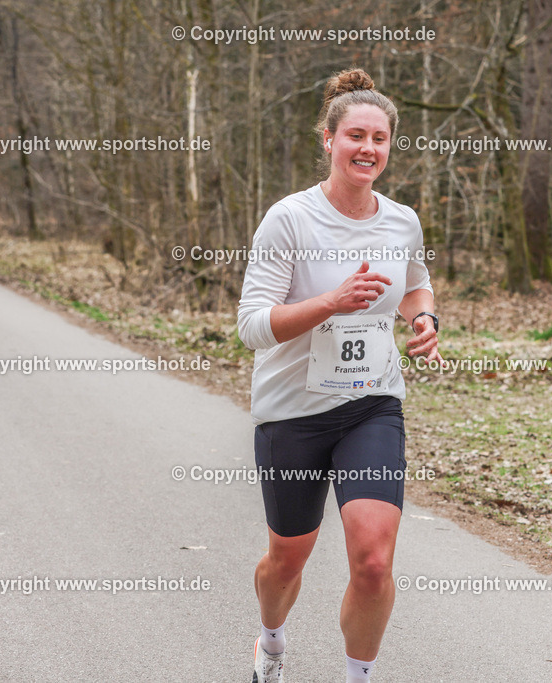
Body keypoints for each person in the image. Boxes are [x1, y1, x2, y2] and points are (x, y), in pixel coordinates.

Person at [237, 67, 441, 683]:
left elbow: (414, 284)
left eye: (379, 139)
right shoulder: (289, 220)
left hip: (372, 404)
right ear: (328, 140)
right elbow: (252, 325)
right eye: (355, 135)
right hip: (292, 411)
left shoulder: (401, 220)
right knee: (286, 560)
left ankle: (359, 675)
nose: (368, 149)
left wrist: (424, 316)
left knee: (374, 560)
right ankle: (271, 640)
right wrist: (333, 301)